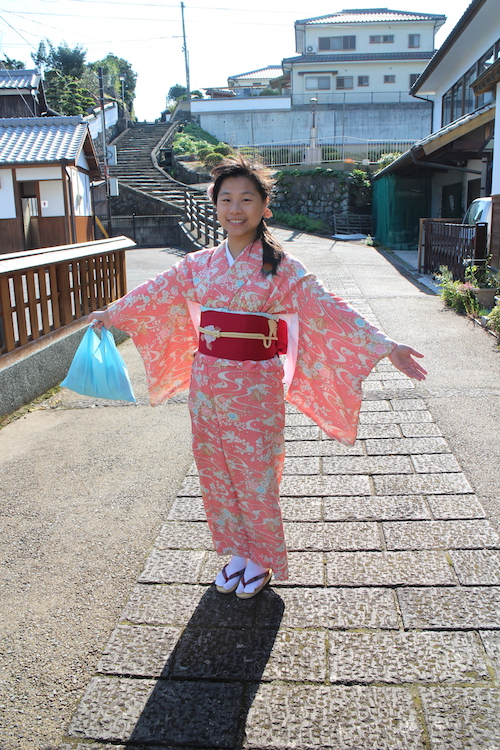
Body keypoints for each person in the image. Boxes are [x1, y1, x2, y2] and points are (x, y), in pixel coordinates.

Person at [88, 156, 426, 599]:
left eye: (246, 199)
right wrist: (112, 314)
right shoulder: (198, 264)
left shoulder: (281, 267)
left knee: (255, 472)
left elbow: (328, 306)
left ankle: (261, 559)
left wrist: (384, 344)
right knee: (216, 469)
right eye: (226, 199)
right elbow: (156, 291)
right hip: (208, 382)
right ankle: (236, 552)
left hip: (254, 385)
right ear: (215, 205)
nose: (235, 208)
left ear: (265, 207)